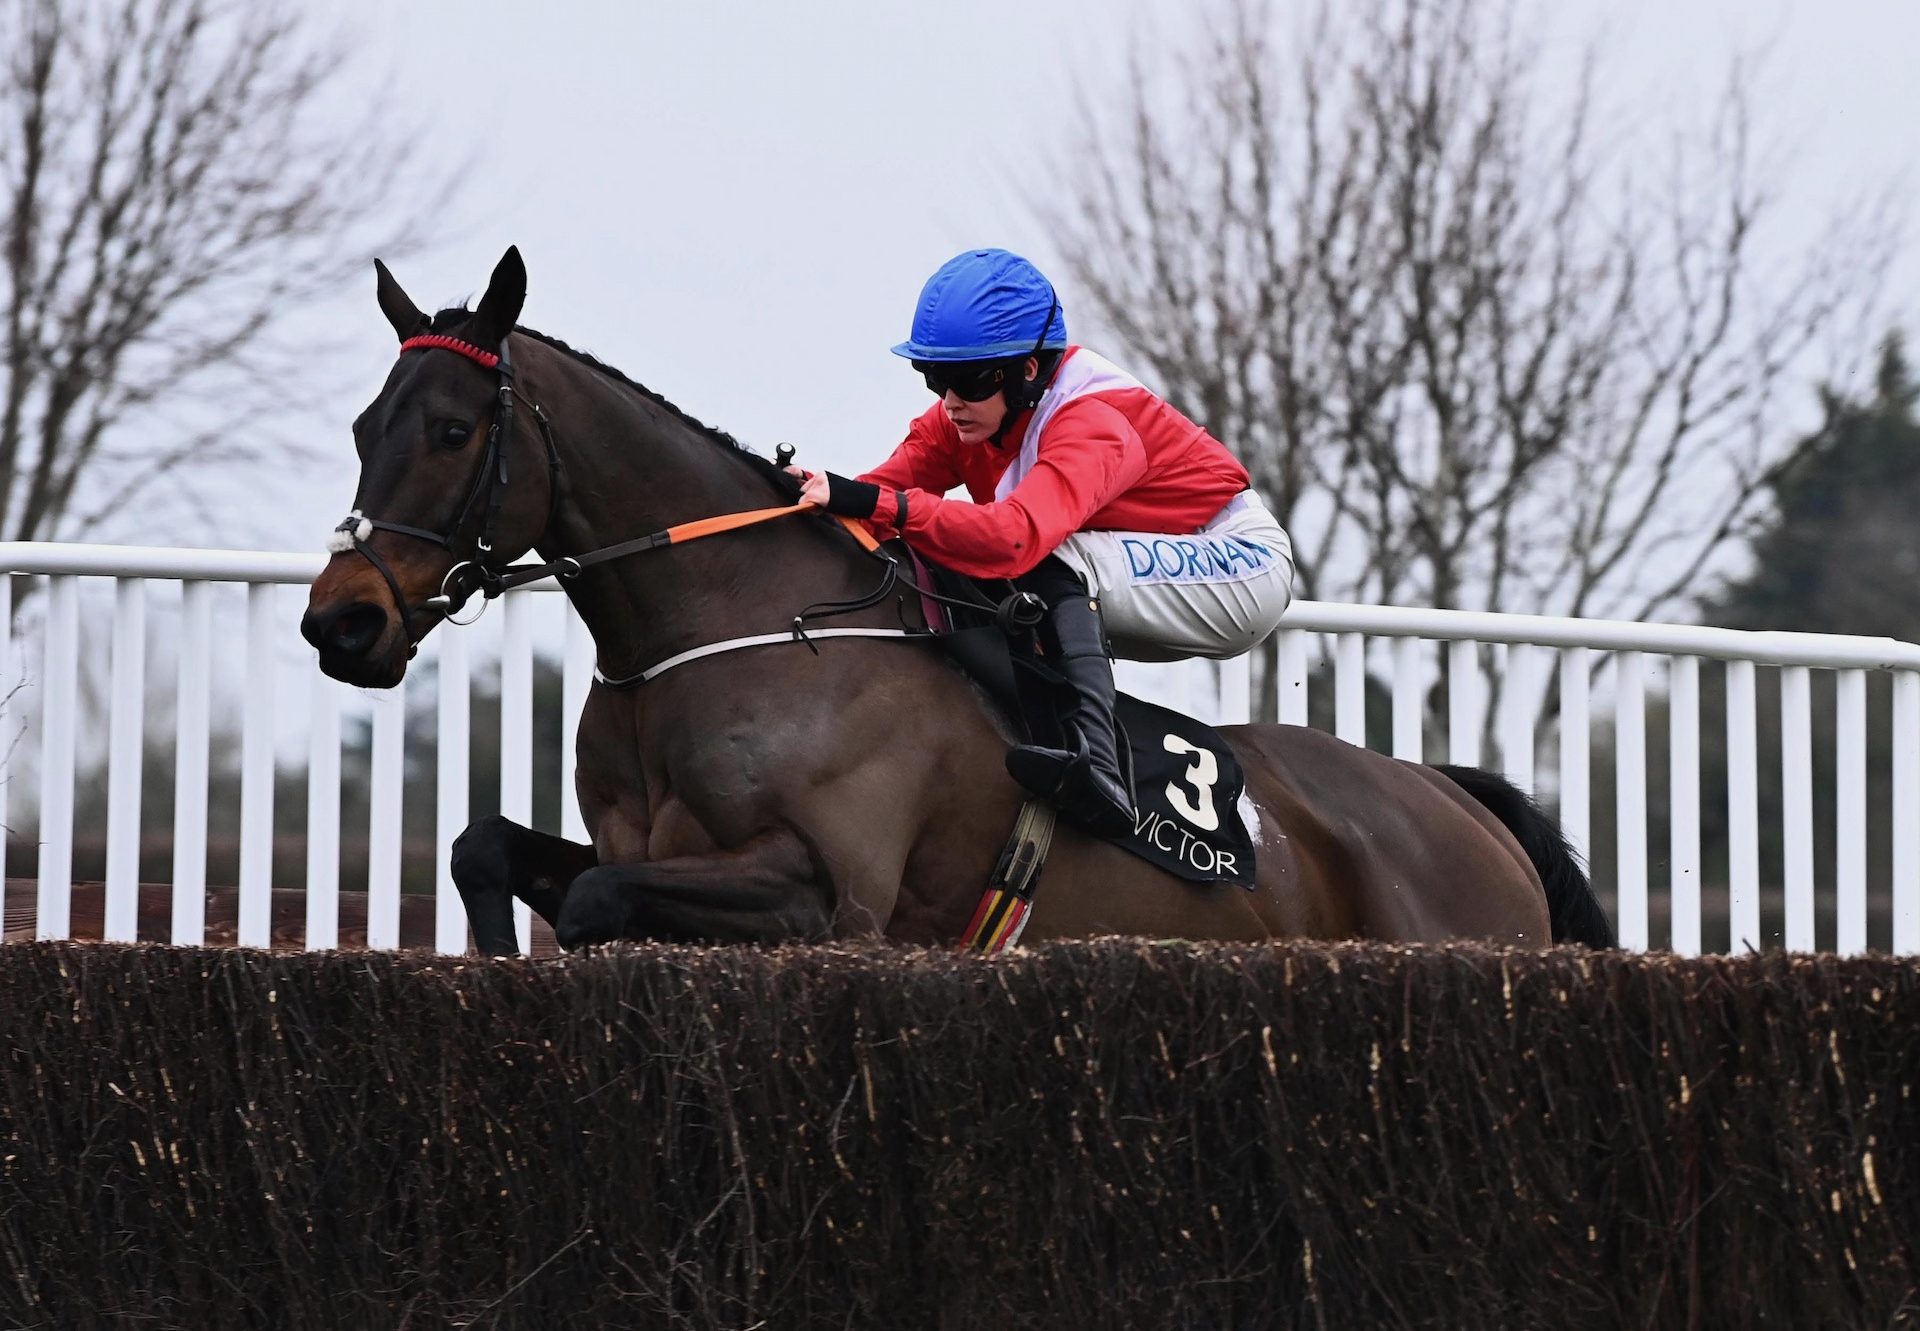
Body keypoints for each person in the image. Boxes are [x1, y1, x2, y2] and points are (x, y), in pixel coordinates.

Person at [786, 248, 1294, 836]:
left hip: (1238, 565)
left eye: (969, 380)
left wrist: (878, 505)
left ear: (1029, 370)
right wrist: (789, 504)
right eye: (935, 379)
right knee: (950, 553)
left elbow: (1013, 539)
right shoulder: (966, 419)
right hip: (1141, 563)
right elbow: (876, 498)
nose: (950, 401)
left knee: (1037, 556)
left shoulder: (1092, 422)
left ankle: (1099, 767)